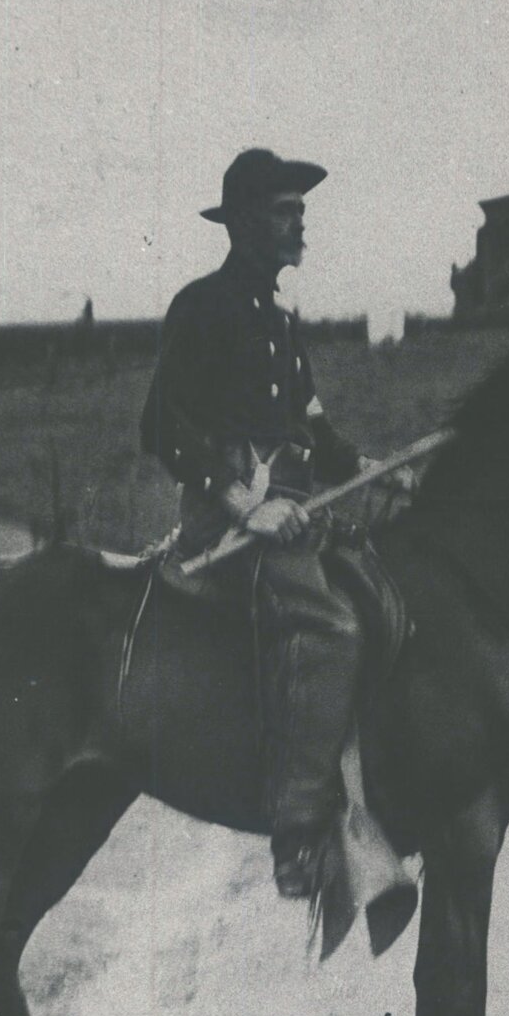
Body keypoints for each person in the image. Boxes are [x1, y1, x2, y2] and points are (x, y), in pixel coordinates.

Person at [139, 148, 413, 901]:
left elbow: (313, 432)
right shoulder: (201, 307)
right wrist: (241, 505)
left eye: (301, 211)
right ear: (243, 225)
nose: (300, 225)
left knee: (380, 587)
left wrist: (374, 468)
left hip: (290, 513)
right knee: (330, 627)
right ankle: (296, 835)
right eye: (286, 212)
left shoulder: (281, 324)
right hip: (227, 523)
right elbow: (161, 424)